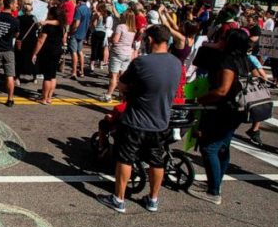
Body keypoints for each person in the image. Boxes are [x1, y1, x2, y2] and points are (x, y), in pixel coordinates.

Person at [98, 25, 182, 213]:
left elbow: (123, 84)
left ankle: (118, 199)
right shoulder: (176, 63)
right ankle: (153, 199)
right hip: (160, 120)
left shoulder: (142, 63)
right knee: (156, 160)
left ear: (150, 40)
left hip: (136, 120)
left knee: (125, 159)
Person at [190, 30, 253, 205]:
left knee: (209, 148)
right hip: (237, 110)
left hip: (225, 110)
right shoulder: (244, 60)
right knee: (223, 148)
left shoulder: (228, 61)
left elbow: (222, 90)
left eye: (224, 38)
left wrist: (200, 99)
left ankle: (213, 192)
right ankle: (216, 182)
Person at [31, 6, 65, 105]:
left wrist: (34, 53)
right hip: (57, 50)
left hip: (48, 51)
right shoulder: (61, 25)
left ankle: (44, 98)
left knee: (47, 76)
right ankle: (49, 97)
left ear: (51, 14)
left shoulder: (47, 26)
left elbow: (41, 41)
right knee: (53, 75)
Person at [103, 11, 137, 102]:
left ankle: (108, 95)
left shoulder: (120, 27)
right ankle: (122, 95)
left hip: (118, 52)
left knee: (114, 76)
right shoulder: (133, 29)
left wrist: (110, 38)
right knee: (123, 76)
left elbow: (115, 40)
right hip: (127, 53)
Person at [69, 0, 91, 79]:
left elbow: (77, 23)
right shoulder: (88, 9)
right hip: (83, 32)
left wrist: (72, 31)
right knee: (80, 51)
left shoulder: (79, 9)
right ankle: (81, 71)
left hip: (76, 33)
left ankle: (74, 72)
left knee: (74, 52)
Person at [89, 3, 113, 72]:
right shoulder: (107, 15)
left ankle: (92, 64)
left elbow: (92, 22)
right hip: (104, 33)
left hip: (97, 32)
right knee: (101, 48)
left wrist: (93, 28)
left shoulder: (98, 14)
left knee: (94, 48)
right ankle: (100, 63)